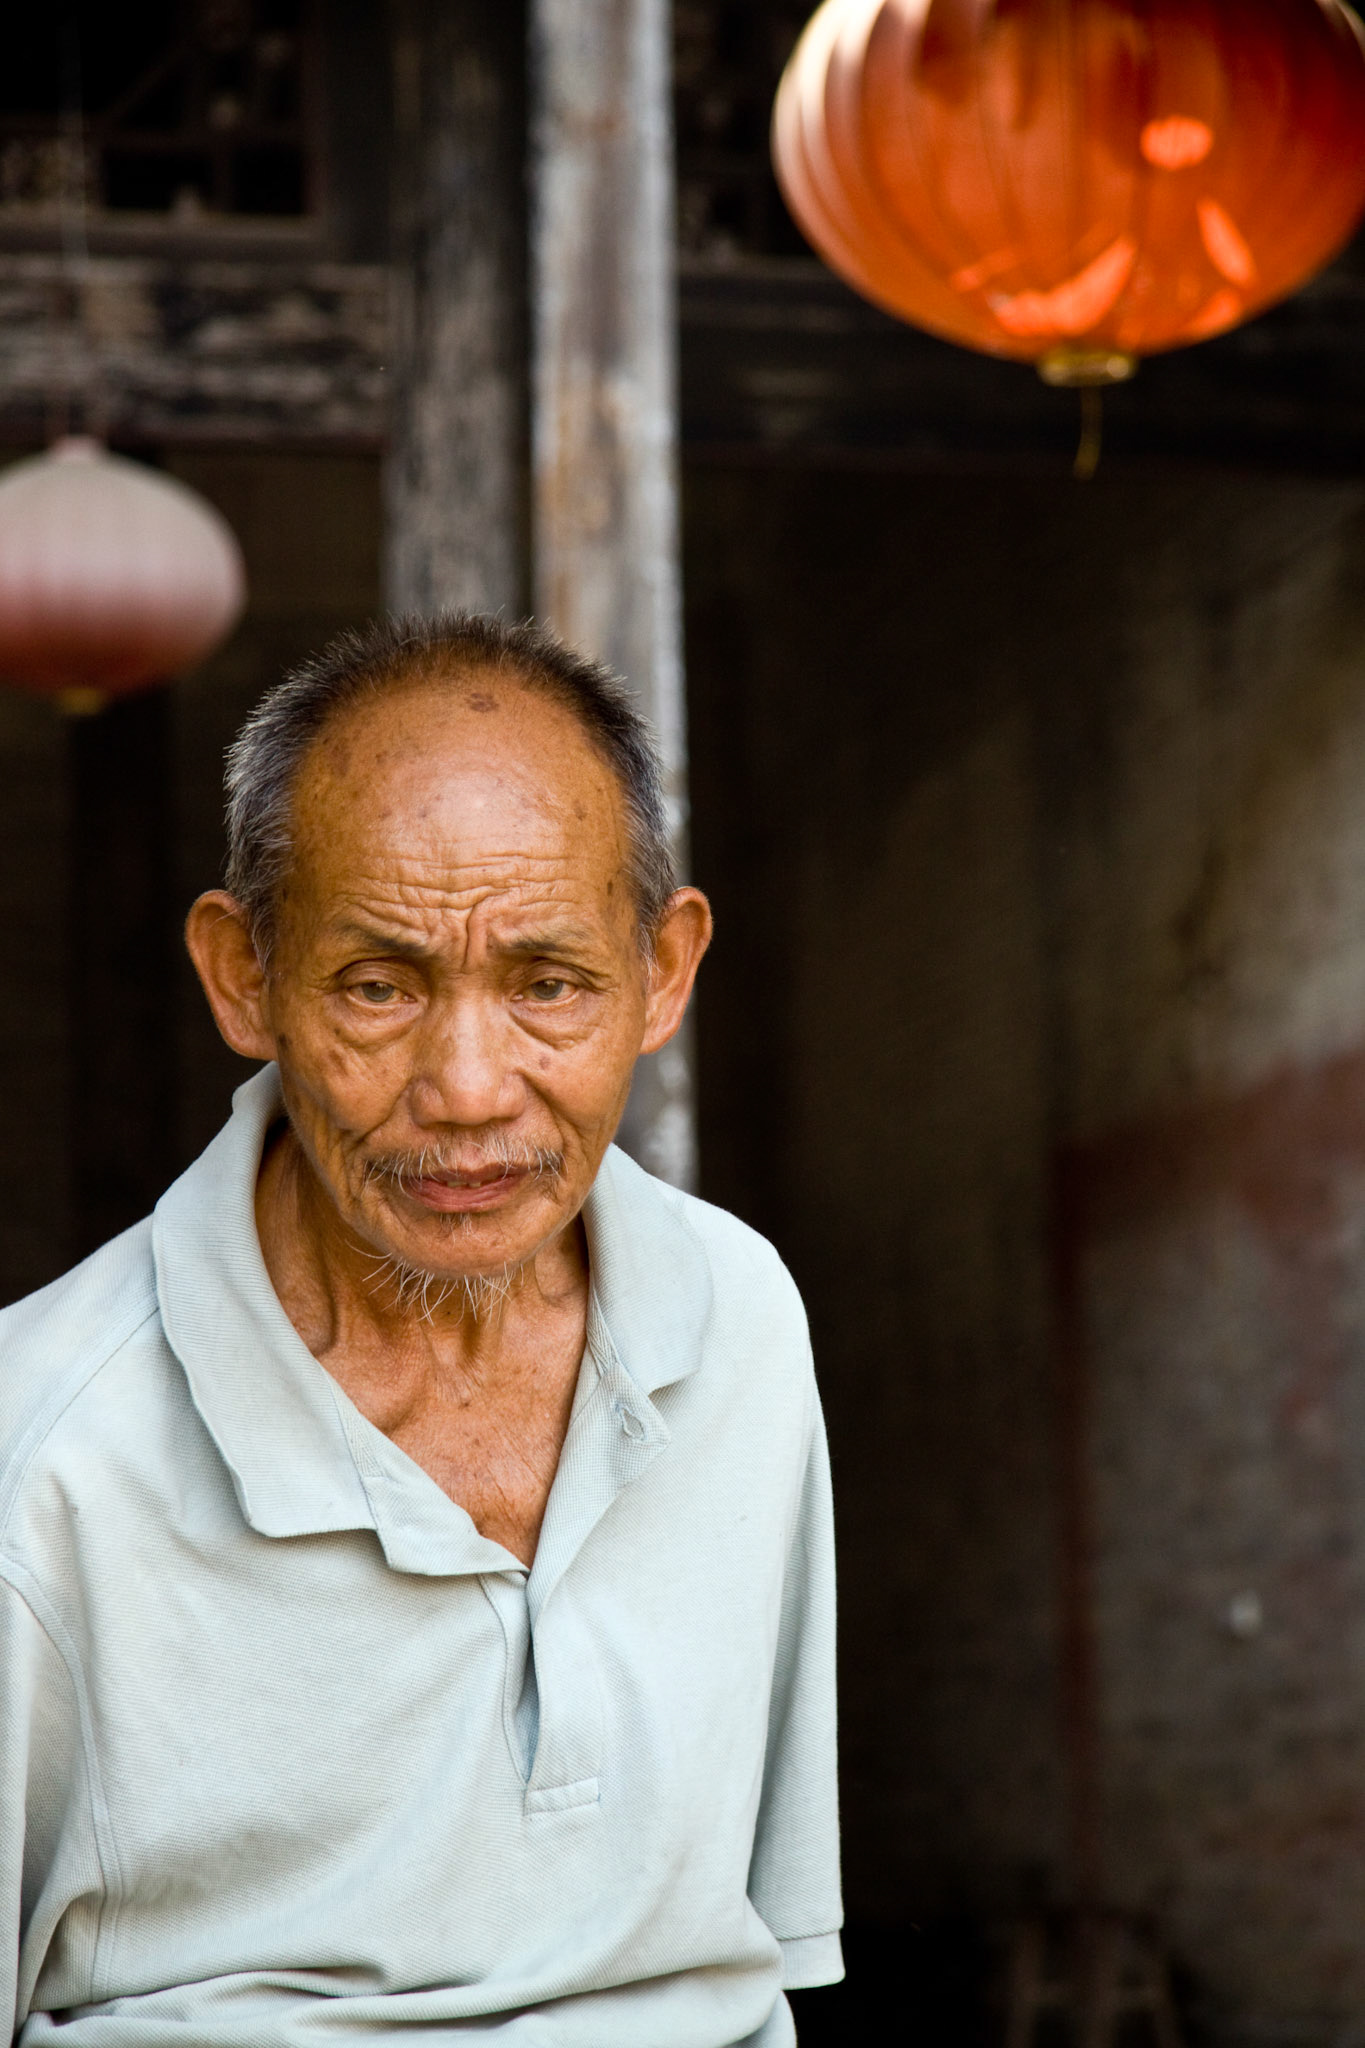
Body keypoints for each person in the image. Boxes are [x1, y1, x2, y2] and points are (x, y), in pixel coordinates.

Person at [0, 613, 841, 2047]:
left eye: (548, 984)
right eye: (379, 987)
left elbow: (749, 1953)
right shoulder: (43, 1455)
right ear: (244, 976)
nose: (467, 1089)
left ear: (664, 972)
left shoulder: (737, 1314)